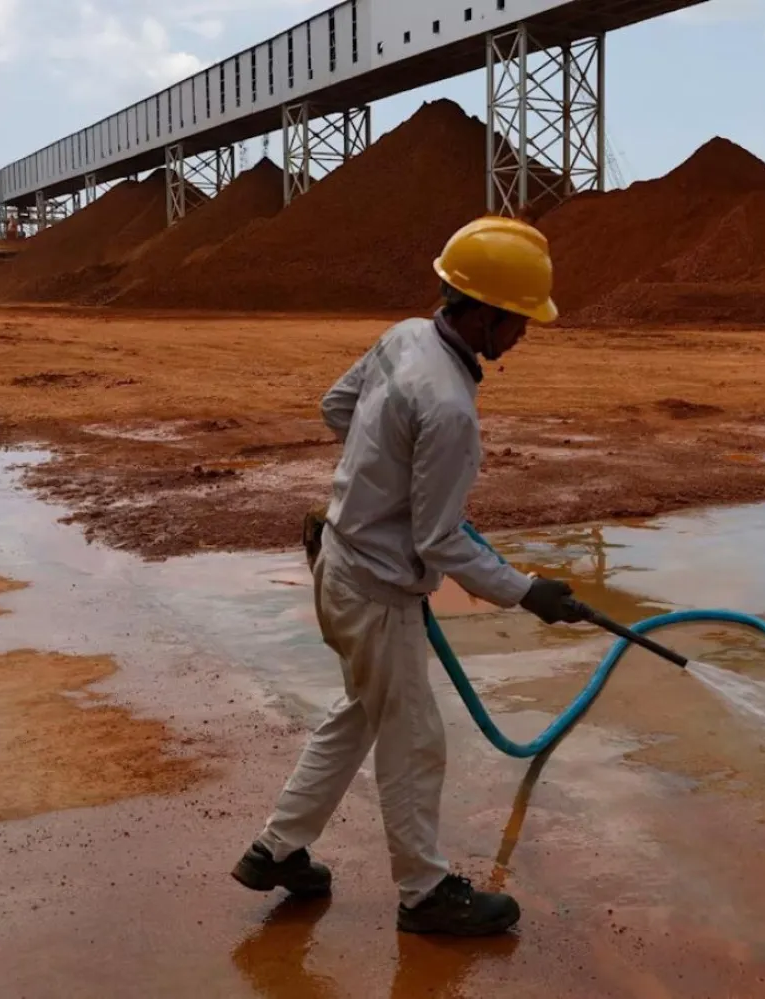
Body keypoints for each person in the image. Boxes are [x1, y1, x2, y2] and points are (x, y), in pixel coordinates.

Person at [231, 216, 583, 936]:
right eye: (518, 322)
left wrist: (377, 469)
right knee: (415, 738)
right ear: (483, 312)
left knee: (361, 712)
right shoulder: (450, 408)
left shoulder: (403, 337)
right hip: (378, 591)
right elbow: (439, 539)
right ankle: (424, 893)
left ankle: (277, 848)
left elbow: (338, 409)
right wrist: (528, 592)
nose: (521, 336)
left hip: (336, 560)